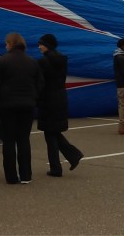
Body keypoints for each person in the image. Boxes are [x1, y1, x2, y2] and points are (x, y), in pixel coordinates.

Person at [0, 32, 43, 184]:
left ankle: (11, 176)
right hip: (27, 105)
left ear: (10, 44)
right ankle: (26, 175)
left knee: (8, 140)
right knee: (23, 139)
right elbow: (40, 84)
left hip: (7, 105)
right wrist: (34, 99)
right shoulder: (32, 62)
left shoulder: (2, 61)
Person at [37, 34, 84, 177]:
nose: (39, 47)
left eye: (41, 44)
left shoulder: (43, 62)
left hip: (48, 99)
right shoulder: (62, 60)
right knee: (53, 131)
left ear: (48, 45)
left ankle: (57, 167)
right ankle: (72, 155)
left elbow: (41, 83)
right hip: (60, 97)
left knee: (49, 134)